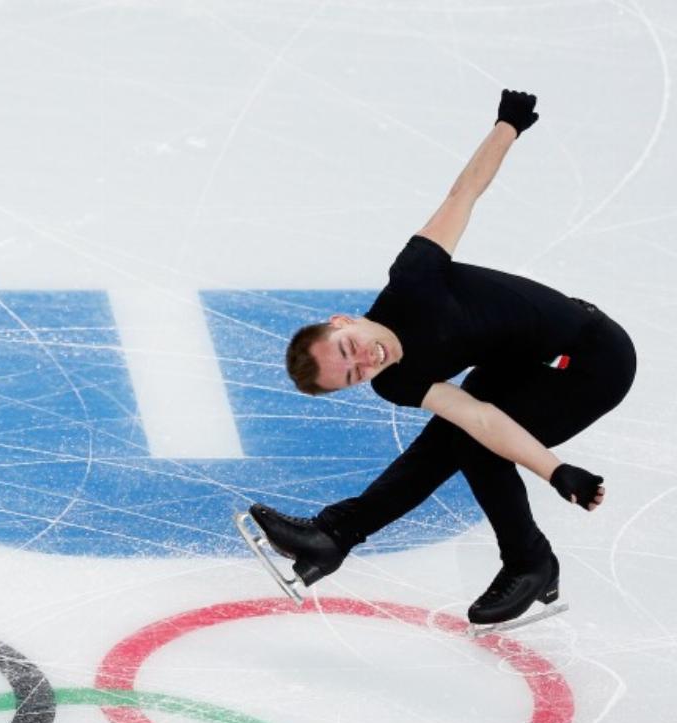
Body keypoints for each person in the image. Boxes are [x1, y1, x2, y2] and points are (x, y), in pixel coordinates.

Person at [248, 89, 637, 629]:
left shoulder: (415, 280)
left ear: (342, 321)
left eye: (349, 349)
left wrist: (508, 125)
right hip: (519, 363)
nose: (367, 360)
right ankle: (333, 537)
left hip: (594, 359)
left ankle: (529, 561)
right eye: (355, 374)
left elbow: (465, 193)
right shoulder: (395, 381)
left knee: (471, 446)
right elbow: (479, 415)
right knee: (455, 436)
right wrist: (554, 469)